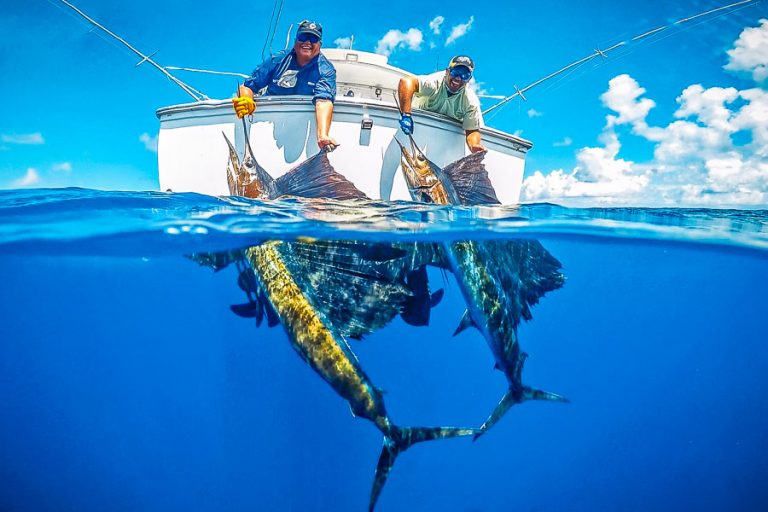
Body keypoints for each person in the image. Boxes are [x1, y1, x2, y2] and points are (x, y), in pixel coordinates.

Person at [232, 20, 338, 151]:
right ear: (295, 41)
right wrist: (247, 99)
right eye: (303, 37)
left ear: (319, 44)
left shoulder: (325, 69)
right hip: (267, 123)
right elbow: (247, 86)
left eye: (313, 39)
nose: (307, 42)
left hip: (300, 129)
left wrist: (322, 135)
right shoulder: (278, 59)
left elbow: (323, 101)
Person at [397, 55, 485, 153]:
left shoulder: (470, 101)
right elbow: (406, 82)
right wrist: (406, 115)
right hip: (414, 130)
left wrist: (474, 145)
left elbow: (472, 130)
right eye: (455, 72)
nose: (458, 79)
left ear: (469, 79)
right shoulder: (434, 82)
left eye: (464, 75)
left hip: (442, 146)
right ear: (447, 71)